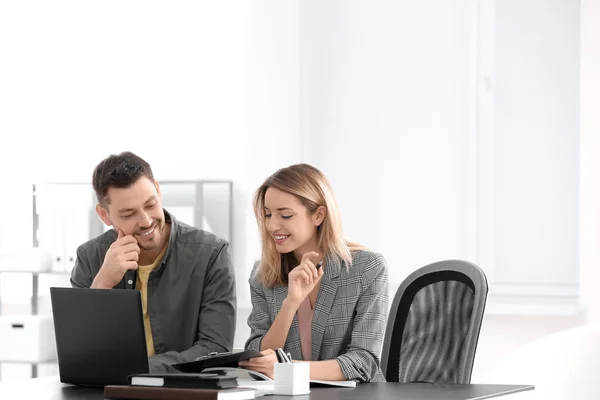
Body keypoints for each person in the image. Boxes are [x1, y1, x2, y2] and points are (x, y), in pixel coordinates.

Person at [70, 151, 236, 373]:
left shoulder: (211, 254)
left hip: (181, 393)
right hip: (109, 392)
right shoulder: (90, 257)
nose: (146, 221)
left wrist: (137, 369)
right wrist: (102, 284)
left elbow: (216, 348)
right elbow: (78, 353)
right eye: (128, 214)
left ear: (158, 190)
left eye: (150, 205)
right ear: (104, 215)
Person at [240, 163, 389, 382]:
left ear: (318, 215)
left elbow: (363, 361)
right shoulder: (262, 274)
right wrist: (290, 304)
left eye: (286, 215)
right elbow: (259, 356)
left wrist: (288, 369)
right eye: (268, 215)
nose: (272, 226)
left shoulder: (367, 268)